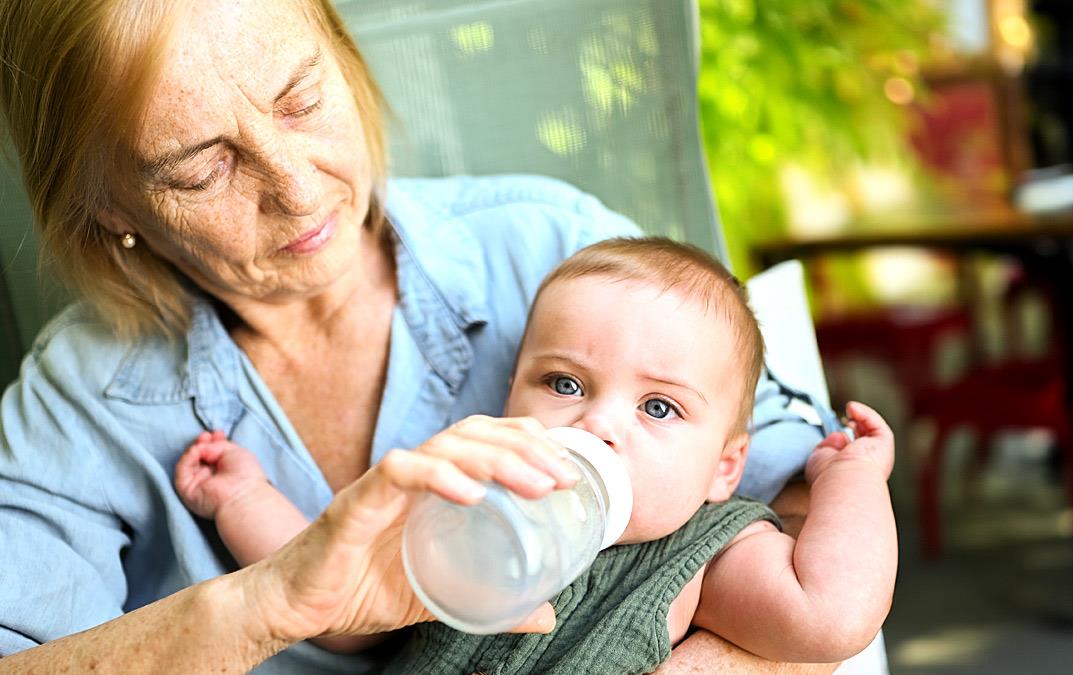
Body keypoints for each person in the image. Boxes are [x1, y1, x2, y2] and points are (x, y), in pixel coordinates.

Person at [0, 0, 845, 671]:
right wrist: (265, 604)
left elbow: (804, 498)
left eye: (301, 99)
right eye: (200, 166)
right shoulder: (80, 403)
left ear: (343, 53)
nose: (299, 190)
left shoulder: (555, 252)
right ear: (107, 201)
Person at [174, 238, 898, 671]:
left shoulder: (706, 558)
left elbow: (830, 613)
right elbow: (334, 608)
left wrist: (854, 480)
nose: (599, 423)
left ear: (722, 467)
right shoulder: (465, 510)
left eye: (658, 406)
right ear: (509, 398)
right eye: (565, 382)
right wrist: (244, 499)